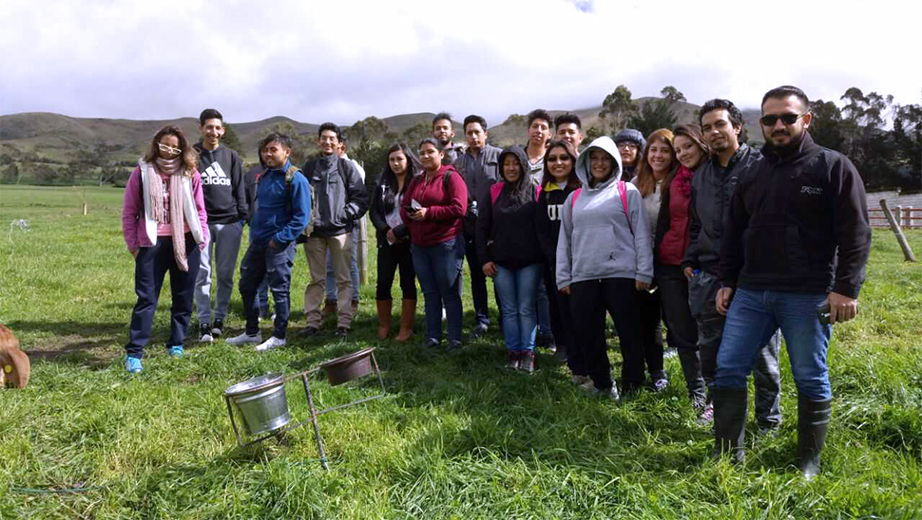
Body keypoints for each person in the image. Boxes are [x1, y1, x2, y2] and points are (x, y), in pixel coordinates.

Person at [714, 86, 871, 478]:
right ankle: (728, 454)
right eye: (770, 119)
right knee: (729, 367)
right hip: (750, 292)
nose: (779, 125)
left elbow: (856, 232)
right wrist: (727, 282)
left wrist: (846, 288)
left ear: (806, 119)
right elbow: (734, 232)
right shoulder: (751, 171)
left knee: (809, 375)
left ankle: (808, 462)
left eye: (788, 117)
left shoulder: (833, 166)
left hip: (808, 293)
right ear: (761, 124)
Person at [682, 99, 782, 427]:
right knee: (711, 350)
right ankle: (717, 406)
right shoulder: (701, 176)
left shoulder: (762, 166)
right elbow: (696, 224)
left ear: (737, 127)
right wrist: (691, 261)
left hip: (755, 276)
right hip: (709, 275)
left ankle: (768, 419)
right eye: (707, 127)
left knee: (763, 355)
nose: (714, 132)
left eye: (720, 124)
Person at [556, 136, 653, 398]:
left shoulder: (626, 192)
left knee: (629, 332)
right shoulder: (574, 198)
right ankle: (602, 384)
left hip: (621, 275)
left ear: (614, 163)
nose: (599, 164)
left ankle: (632, 385)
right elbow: (564, 239)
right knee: (588, 333)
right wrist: (563, 277)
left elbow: (641, 234)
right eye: (594, 158)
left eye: (605, 159)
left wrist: (644, 271)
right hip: (584, 276)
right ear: (586, 163)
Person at [121, 125, 209, 372]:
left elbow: (200, 210)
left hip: (186, 242)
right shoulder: (141, 173)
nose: (170, 150)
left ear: (182, 148)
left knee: (183, 296)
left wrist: (201, 240)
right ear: (156, 145)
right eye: (165, 144)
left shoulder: (190, 173)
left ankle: (177, 344)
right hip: (151, 243)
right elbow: (129, 212)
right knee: (147, 298)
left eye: (175, 146)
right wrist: (133, 245)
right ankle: (135, 352)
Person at [227, 133, 310, 351]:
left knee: (279, 289)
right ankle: (252, 332)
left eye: (273, 149)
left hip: (279, 245)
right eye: (265, 150)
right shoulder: (264, 177)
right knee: (246, 285)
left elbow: (302, 217)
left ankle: (279, 336)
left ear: (287, 152)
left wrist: (279, 239)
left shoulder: (295, 179)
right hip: (258, 243)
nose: (268, 154)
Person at [654, 124, 709, 409]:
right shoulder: (674, 179)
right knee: (683, 333)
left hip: (704, 265)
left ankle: (717, 393)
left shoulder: (713, 176)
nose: (683, 153)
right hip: (670, 265)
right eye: (678, 149)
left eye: (688, 146)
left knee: (708, 334)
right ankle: (697, 393)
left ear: (701, 144)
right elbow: (665, 220)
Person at [476, 146, 543, 372]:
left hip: (530, 263)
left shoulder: (536, 191)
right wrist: (484, 259)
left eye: (515, 163)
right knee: (509, 309)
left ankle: (528, 353)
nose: (511, 168)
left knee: (525, 308)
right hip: (500, 263)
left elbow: (542, 230)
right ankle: (513, 352)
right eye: (507, 164)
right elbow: (481, 227)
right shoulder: (494, 192)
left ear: (523, 165)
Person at [301, 123, 369, 337]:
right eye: (324, 138)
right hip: (315, 234)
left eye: (332, 138)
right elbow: (301, 197)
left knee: (343, 279)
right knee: (316, 279)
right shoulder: (310, 167)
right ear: (318, 141)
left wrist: (343, 215)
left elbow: (361, 199)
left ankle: (344, 323)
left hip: (341, 233)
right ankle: (312, 322)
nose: (327, 142)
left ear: (340, 143)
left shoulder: (347, 168)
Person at [401, 138, 468, 350]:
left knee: (449, 292)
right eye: (422, 153)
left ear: (441, 154)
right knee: (429, 292)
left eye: (430, 152)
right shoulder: (417, 180)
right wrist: (410, 214)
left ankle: (455, 338)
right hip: (420, 246)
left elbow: (459, 208)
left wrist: (429, 213)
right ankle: (433, 337)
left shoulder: (451, 177)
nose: (426, 156)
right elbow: (404, 206)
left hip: (445, 244)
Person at [192, 109, 247, 343]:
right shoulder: (192, 154)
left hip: (229, 223)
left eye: (217, 127)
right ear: (201, 128)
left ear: (222, 130)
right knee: (202, 273)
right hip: (201, 224)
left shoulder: (231, 156)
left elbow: (239, 187)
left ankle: (219, 319)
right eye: (209, 127)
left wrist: (242, 218)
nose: (213, 131)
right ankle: (204, 320)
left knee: (225, 274)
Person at [631, 129, 675, 392]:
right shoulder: (637, 184)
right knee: (647, 319)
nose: (658, 156)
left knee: (678, 321)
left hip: (671, 262)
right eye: (654, 150)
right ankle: (654, 371)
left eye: (665, 150)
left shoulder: (679, 183)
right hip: (642, 261)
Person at [453, 115, 502, 338]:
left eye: (477, 132)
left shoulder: (499, 157)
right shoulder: (458, 163)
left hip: (496, 225)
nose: (473, 137)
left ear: (485, 133)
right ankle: (481, 319)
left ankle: (505, 317)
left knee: (500, 274)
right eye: (469, 133)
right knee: (476, 274)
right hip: (470, 226)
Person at [536, 140, 581, 368]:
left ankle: (582, 347)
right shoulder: (544, 194)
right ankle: (562, 344)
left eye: (564, 157)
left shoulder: (583, 190)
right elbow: (541, 230)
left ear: (573, 160)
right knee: (557, 305)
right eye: (552, 159)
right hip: (553, 263)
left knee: (581, 307)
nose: (558, 163)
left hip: (582, 262)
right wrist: (553, 258)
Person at [369, 143, 419, 341]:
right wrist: (385, 230)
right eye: (392, 160)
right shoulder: (382, 182)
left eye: (400, 159)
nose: (396, 163)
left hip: (409, 240)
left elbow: (416, 210)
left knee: (408, 282)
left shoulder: (416, 182)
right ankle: (384, 324)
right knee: (383, 282)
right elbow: (373, 211)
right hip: (386, 241)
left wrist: (400, 231)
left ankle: (406, 327)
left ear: (408, 160)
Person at [320, 137, 365, 317]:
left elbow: (358, 196)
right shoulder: (324, 167)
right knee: (329, 265)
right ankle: (331, 301)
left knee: (349, 263)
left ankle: (353, 300)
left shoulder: (353, 167)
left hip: (346, 225)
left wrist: (343, 215)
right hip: (326, 226)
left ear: (342, 147)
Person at [523, 109, 552, 185]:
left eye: (543, 128)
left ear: (549, 134)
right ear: (528, 131)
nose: (538, 131)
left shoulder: (553, 160)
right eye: (535, 126)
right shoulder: (516, 158)